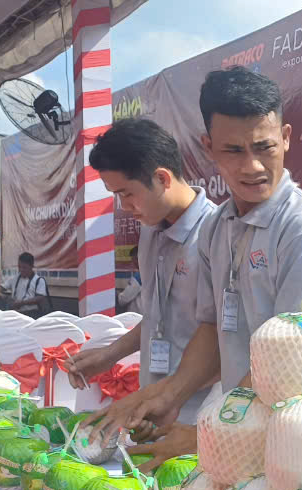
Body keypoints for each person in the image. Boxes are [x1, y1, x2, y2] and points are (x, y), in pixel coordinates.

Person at [87, 66, 302, 462]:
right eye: (233, 151)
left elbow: (292, 366)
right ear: (208, 148)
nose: (252, 167)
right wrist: (171, 395)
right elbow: (212, 328)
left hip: (288, 446)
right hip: (235, 432)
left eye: (264, 147)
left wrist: (203, 435)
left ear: (286, 139)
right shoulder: (220, 226)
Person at [62, 118, 219, 462]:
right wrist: (108, 355)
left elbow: (226, 339)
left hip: (199, 417)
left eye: (126, 194)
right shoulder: (150, 232)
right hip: (152, 405)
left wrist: (169, 396)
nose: (123, 207)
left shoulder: (216, 236)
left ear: (162, 178)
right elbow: (157, 315)